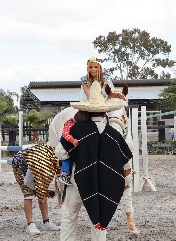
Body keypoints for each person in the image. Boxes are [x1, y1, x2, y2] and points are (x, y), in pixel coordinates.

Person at [56, 81, 133, 241]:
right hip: (103, 184)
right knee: (98, 221)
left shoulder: (76, 130)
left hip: (78, 181)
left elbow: (60, 153)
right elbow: (124, 160)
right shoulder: (114, 135)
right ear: (105, 113)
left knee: (69, 216)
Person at [12, 144, 61, 235]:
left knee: (42, 189)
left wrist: (43, 190)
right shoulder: (39, 162)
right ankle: (30, 224)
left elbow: (47, 181)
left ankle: (46, 222)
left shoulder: (56, 161)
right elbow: (28, 182)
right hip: (20, 164)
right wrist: (37, 190)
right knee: (28, 194)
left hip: (34, 161)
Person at [59, 110, 90, 186]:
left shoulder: (73, 122)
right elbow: (65, 134)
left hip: (70, 143)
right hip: (66, 143)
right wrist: (72, 140)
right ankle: (64, 174)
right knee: (67, 158)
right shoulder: (69, 123)